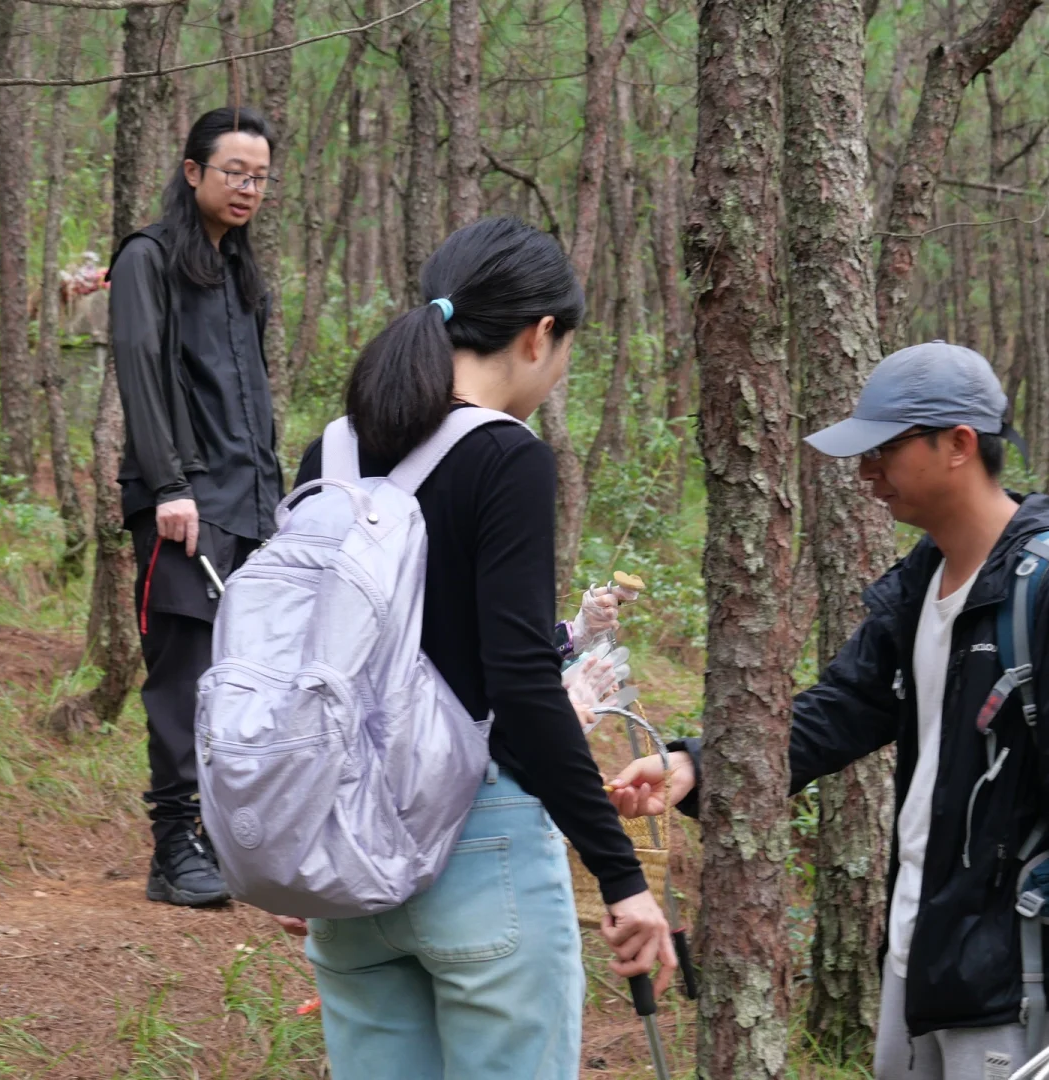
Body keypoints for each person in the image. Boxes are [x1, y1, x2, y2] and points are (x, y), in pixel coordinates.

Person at [608, 342, 1049, 1078]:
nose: (866, 470)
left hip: (1018, 973)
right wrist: (693, 765)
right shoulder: (923, 579)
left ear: (959, 445)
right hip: (923, 956)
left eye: (886, 449)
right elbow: (842, 708)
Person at [275, 217, 675, 1079]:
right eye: (564, 349)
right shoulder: (507, 459)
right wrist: (620, 875)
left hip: (351, 849)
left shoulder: (332, 449)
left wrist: (300, 837)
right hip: (478, 847)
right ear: (539, 336)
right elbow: (523, 689)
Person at [109, 106, 281, 907]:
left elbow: (252, 400)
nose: (246, 188)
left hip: (249, 504)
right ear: (192, 172)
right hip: (183, 503)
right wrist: (170, 486)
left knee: (240, 677)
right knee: (182, 673)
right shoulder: (148, 259)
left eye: (259, 177)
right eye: (233, 172)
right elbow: (142, 373)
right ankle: (173, 845)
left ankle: (219, 835)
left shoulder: (241, 274)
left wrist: (275, 503)